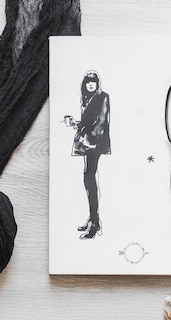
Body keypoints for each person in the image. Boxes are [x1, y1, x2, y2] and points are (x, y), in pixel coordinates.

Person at [64, 71, 111, 239]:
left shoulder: (102, 97)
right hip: (89, 143)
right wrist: (76, 123)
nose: (91, 84)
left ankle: (95, 223)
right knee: (88, 177)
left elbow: (100, 122)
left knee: (89, 178)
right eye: (88, 82)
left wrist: (82, 131)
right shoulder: (87, 98)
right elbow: (88, 122)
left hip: (95, 144)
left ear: (98, 83)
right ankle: (93, 218)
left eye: (93, 82)